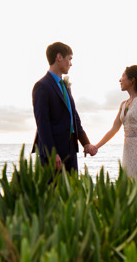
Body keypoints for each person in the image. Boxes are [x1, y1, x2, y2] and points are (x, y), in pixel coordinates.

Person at [33, 41, 97, 173]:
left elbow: (74, 117)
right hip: (54, 153)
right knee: (54, 192)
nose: (71, 63)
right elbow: (42, 123)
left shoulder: (65, 86)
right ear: (59, 57)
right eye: (70, 58)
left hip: (71, 151)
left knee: (72, 192)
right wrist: (52, 153)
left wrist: (86, 143)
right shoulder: (42, 86)